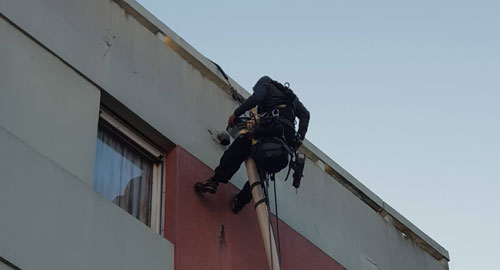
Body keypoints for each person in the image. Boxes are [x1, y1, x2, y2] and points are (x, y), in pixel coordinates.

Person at [195, 76, 310, 213]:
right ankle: (241, 201)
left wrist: (236, 114)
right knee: (261, 170)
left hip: (269, 127)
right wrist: (298, 139)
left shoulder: (266, 85)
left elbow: (256, 98)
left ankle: (215, 181)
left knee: (236, 151)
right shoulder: (292, 98)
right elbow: (305, 115)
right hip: (283, 139)